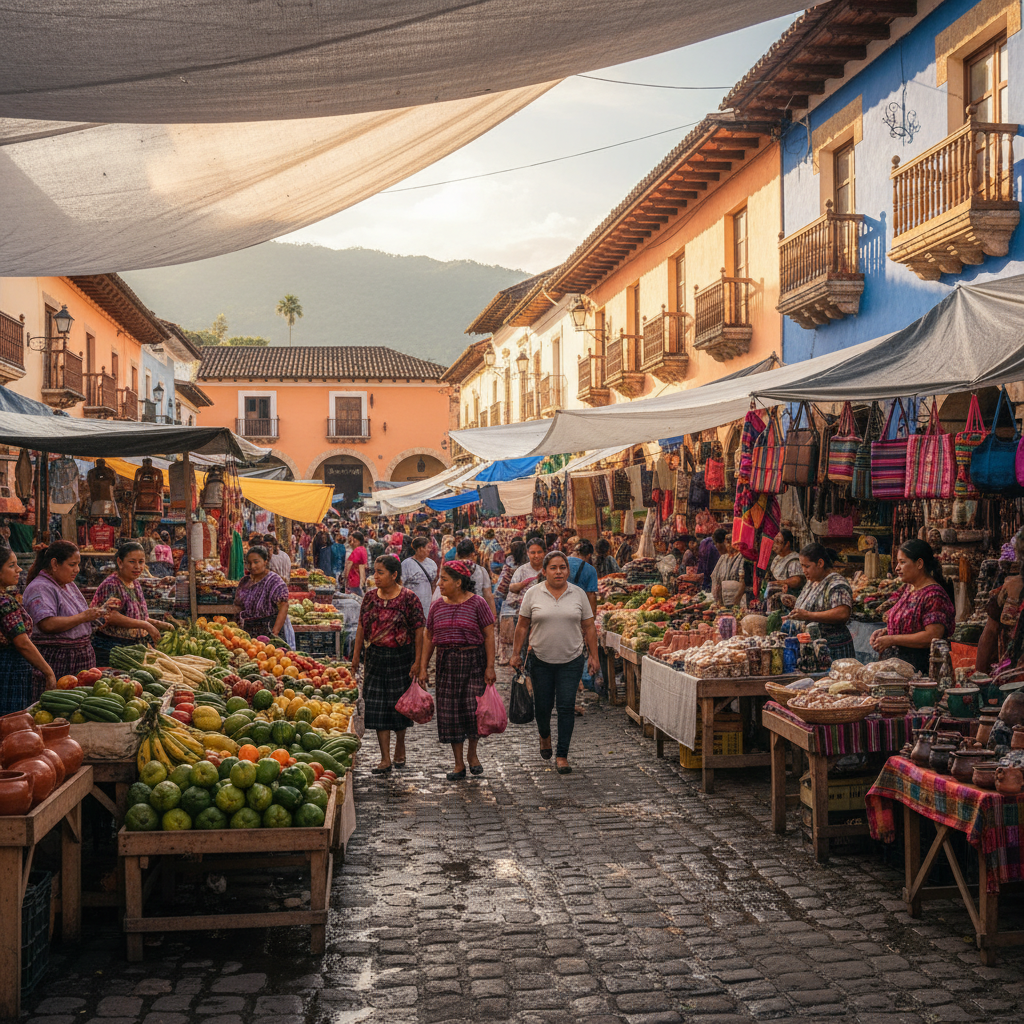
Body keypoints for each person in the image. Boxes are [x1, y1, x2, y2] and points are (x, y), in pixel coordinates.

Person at [511, 551, 601, 775]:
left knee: (566, 707)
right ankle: (544, 735)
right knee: (542, 707)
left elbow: (589, 627)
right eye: (553, 567)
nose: (558, 571)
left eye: (562, 567)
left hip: (571, 660)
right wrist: (515, 654)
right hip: (540, 660)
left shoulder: (578, 594)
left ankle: (562, 755)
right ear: (544, 571)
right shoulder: (533, 594)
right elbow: (522, 626)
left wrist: (593, 655)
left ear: (568, 571)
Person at [419, 559, 496, 780]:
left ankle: (473, 754)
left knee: (473, 710)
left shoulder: (478, 603)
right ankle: (458, 763)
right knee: (450, 713)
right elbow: (429, 637)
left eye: (444, 579)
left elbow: (489, 635)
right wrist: (423, 666)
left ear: (459, 582)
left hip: (473, 660)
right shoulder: (437, 606)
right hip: (446, 662)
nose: (439, 584)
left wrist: (490, 667)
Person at [350, 555, 426, 775]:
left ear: (394, 575)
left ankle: (400, 746)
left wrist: (418, 662)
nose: (376, 576)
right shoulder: (370, 597)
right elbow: (361, 628)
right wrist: (356, 657)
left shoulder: (408, 598)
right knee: (378, 707)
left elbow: (419, 630)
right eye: (375, 571)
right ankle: (384, 758)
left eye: (380, 572)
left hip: (401, 657)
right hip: (375, 656)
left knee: (399, 705)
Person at [23, 540, 113, 697]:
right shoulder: (40, 587)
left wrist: (97, 615)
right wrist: (83, 617)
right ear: (54, 564)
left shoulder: (68, 584)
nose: (77, 569)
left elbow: (78, 617)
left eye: (78, 564)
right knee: (58, 706)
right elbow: (47, 624)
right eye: (72, 564)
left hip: (80, 658)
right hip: (58, 660)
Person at [870, 539, 956, 673]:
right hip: (896, 667)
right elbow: (911, 624)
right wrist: (887, 631)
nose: (897, 568)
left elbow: (932, 636)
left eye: (902, 562)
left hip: (918, 669)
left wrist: (892, 639)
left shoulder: (933, 595)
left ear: (919, 563)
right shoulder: (909, 588)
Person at [0, 544, 55, 712]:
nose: (18, 570)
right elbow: (22, 642)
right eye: (11, 565)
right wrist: (48, 672)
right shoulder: (4, 603)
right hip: (10, 669)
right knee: (12, 724)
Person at [90, 541, 165, 663]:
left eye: (141, 562)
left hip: (132, 649)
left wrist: (158, 623)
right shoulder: (112, 584)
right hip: (112, 649)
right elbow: (111, 615)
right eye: (132, 562)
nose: (137, 566)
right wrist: (145, 625)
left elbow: (137, 616)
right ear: (120, 562)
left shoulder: (134, 583)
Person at [782, 543, 855, 660]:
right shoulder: (812, 581)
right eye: (802, 566)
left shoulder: (836, 583)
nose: (803, 571)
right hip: (814, 648)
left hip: (833, 649)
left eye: (807, 566)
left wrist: (808, 615)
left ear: (820, 563)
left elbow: (842, 613)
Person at [233, 544, 289, 638]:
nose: (252, 566)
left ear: (265, 562)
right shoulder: (244, 582)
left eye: (256, 562)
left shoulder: (274, 581)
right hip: (248, 631)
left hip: (268, 629)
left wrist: (275, 633)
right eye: (249, 563)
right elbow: (238, 606)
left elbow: (284, 606)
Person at [496, 540, 528, 665]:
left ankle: (504, 657)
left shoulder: (509, 568)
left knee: (505, 637)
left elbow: (501, 588)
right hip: (527, 607)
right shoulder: (530, 568)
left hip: (509, 607)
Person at [402, 536, 438, 618]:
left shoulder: (432, 564)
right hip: (411, 603)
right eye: (427, 547)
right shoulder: (406, 564)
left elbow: (434, 583)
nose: (430, 550)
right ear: (420, 548)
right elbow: (401, 584)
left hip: (427, 603)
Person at [710, 536, 745, 605]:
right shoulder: (723, 558)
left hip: (737, 599)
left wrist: (736, 601)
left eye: (731, 542)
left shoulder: (741, 557)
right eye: (727, 542)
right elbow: (715, 578)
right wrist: (716, 599)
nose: (728, 545)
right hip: (722, 599)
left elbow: (743, 581)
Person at [344, 531, 368, 596]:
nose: (352, 543)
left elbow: (349, 563)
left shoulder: (357, 550)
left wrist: (345, 576)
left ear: (358, 542)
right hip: (359, 580)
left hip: (353, 580)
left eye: (354, 541)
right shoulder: (363, 549)